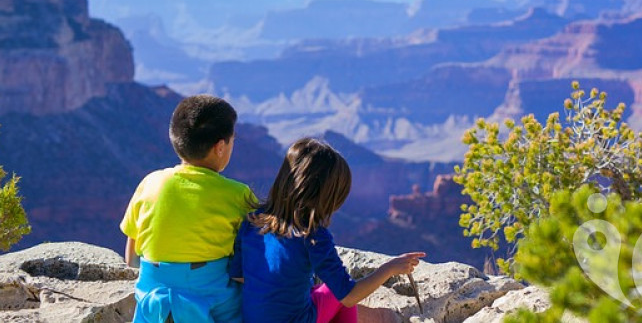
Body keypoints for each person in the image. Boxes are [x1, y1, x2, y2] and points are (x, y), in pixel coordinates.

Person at [229, 137, 425, 323]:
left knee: (322, 292)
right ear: (326, 195)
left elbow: (239, 276)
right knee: (337, 293)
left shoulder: (253, 221)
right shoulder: (312, 236)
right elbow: (348, 296)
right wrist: (390, 268)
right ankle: (388, 319)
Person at [120, 95, 256, 323]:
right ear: (220, 147)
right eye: (233, 140)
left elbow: (131, 258)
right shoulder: (238, 194)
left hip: (154, 302)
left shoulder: (150, 182)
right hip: (212, 300)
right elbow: (253, 260)